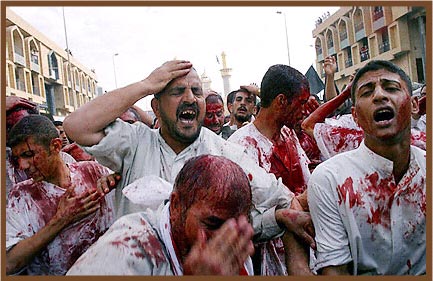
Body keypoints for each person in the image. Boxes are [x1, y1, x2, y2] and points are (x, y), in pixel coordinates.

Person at [63, 60, 314, 249]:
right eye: (177, 91)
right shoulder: (135, 142)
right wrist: (146, 85)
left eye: (196, 91)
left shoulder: (224, 152)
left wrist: (278, 218)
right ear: (156, 107)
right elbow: (76, 126)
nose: (190, 98)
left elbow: (273, 202)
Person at [308, 60, 426, 275]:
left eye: (391, 88)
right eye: (366, 92)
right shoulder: (330, 180)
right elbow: (336, 271)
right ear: (355, 116)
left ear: (415, 105)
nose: (380, 96)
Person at [67, 155, 255, 275]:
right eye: (212, 224)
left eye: (238, 226)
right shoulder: (124, 252)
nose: (225, 239)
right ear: (176, 206)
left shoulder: (234, 243)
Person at [228, 64, 314, 275]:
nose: (305, 111)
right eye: (301, 103)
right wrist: (279, 216)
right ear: (281, 101)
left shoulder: (289, 135)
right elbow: (238, 222)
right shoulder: (240, 146)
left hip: (308, 255)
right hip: (267, 263)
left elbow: (306, 183)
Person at [6, 115, 114, 275]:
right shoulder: (20, 196)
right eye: (17, 159)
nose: (22, 166)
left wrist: (117, 178)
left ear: (55, 146)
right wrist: (61, 219)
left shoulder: (92, 172)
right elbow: (9, 263)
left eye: (28, 155)